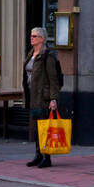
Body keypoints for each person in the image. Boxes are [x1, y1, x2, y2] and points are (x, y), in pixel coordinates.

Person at [22, 26, 64, 169]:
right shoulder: (31, 54)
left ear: (42, 39)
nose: (31, 38)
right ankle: (38, 155)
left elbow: (54, 80)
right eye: (31, 35)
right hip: (32, 95)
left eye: (34, 36)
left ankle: (47, 157)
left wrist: (54, 99)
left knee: (45, 128)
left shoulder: (48, 56)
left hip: (43, 97)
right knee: (36, 127)